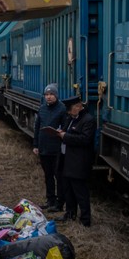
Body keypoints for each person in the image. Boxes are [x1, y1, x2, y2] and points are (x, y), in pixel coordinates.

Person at [46, 96, 96, 227]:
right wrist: (60, 133)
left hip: (78, 163)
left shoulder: (88, 120)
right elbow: (67, 132)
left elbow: (85, 139)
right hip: (66, 160)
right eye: (69, 110)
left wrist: (65, 136)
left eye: (73, 109)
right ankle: (70, 213)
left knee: (80, 192)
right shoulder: (70, 119)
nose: (69, 112)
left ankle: (85, 220)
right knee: (67, 189)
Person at [33, 83, 67, 212]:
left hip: (57, 149)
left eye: (51, 94)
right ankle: (50, 200)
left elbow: (65, 128)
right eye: (46, 95)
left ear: (56, 96)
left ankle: (59, 203)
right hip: (44, 148)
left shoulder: (62, 109)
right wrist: (35, 145)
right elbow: (37, 128)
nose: (49, 97)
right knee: (48, 176)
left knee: (58, 176)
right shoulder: (42, 109)